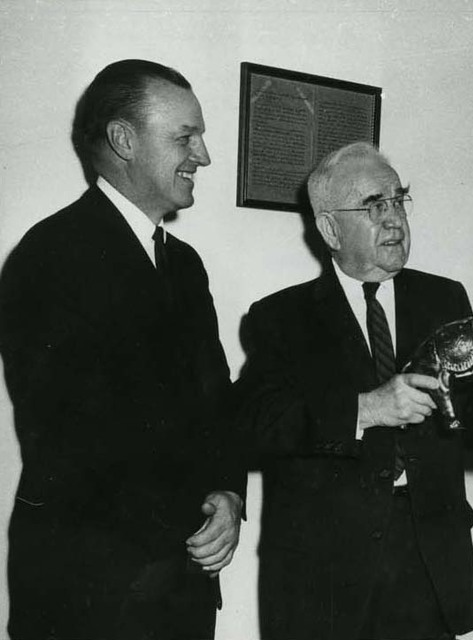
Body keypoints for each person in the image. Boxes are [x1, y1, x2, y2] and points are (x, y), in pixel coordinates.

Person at [234, 141, 473, 640]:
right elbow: (255, 424)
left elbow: (471, 429)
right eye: (373, 206)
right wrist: (365, 409)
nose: (394, 219)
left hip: (429, 566)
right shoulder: (280, 317)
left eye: (398, 200)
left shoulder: (444, 298)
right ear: (330, 229)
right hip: (325, 577)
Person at [0, 59, 244, 639]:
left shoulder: (184, 265)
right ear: (124, 140)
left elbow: (216, 405)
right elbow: (72, 437)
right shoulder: (52, 255)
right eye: (185, 137)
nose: (204, 156)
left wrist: (229, 494)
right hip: (91, 594)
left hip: (180, 585)